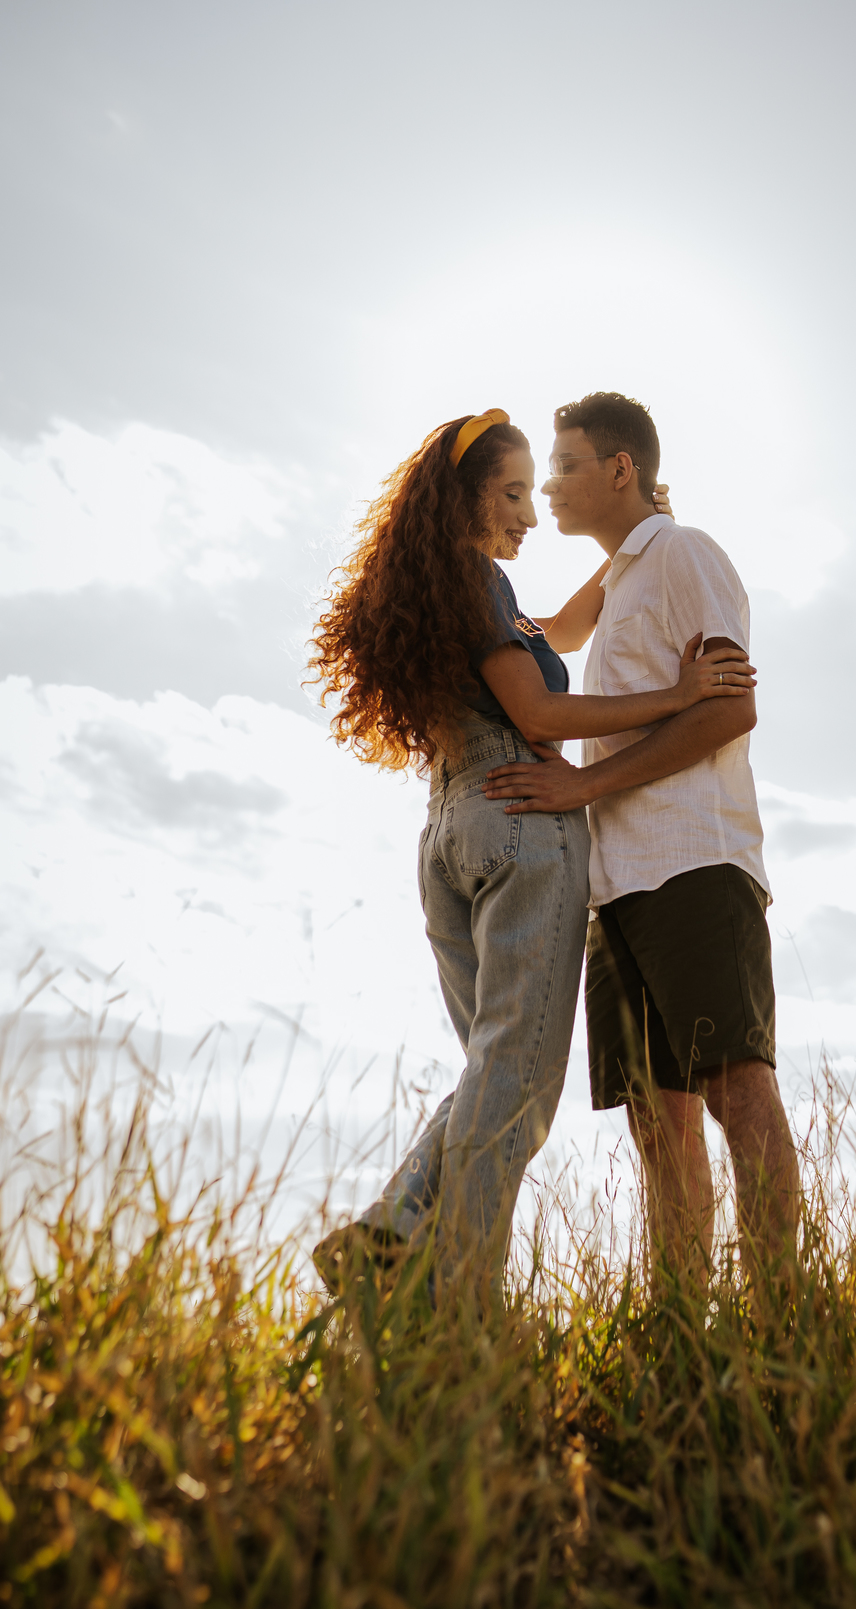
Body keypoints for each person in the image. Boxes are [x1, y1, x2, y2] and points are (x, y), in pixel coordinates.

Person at [307, 408, 756, 1303]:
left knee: (490, 1069)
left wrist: (631, 542)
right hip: (524, 819)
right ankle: (466, 1308)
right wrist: (675, 691)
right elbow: (541, 715)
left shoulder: (463, 592)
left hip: (452, 828)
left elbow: (564, 627)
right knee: (516, 1083)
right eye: (513, 491)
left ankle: (395, 1229)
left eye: (539, 484)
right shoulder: (478, 582)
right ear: (466, 500)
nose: (530, 506)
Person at [482, 393, 801, 1290]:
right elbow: (548, 632)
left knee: (738, 1092)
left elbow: (733, 706)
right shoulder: (625, 574)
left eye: (564, 466)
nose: (546, 487)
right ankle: (680, 1344)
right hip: (616, 884)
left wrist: (581, 784)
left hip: (693, 863)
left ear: (620, 469)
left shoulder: (685, 553)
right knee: (658, 1124)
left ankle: (785, 1322)